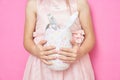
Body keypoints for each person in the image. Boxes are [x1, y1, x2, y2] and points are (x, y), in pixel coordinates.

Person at [23, 0, 95, 80]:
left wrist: (81, 51)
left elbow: (90, 37)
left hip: (75, 67)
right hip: (43, 67)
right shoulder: (34, 4)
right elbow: (27, 40)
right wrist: (35, 50)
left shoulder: (80, 3)